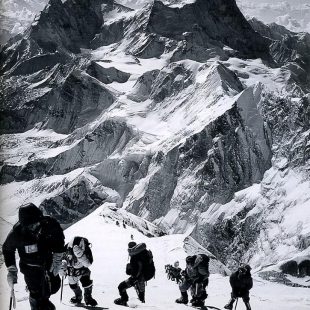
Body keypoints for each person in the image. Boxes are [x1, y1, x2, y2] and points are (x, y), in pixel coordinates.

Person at [2, 203, 65, 310]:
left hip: (48, 263)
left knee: (53, 287)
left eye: (36, 223)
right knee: (36, 293)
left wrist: (58, 257)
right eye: (30, 226)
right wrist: (12, 269)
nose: (34, 227)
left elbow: (59, 239)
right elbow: (7, 249)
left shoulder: (50, 224)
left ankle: (45, 303)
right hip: (30, 268)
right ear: (24, 225)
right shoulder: (17, 233)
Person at [59, 236, 98, 306]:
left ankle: (88, 297)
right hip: (71, 270)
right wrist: (62, 265)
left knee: (86, 282)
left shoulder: (86, 249)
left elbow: (88, 263)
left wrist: (81, 256)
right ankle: (78, 296)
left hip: (82, 270)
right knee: (73, 285)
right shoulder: (67, 247)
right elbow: (62, 257)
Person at [114, 242, 155, 306]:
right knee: (141, 295)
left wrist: (134, 277)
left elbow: (138, 268)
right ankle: (141, 304)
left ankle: (124, 300)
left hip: (138, 277)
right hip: (147, 275)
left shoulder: (135, 256)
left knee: (121, 286)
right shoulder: (142, 252)